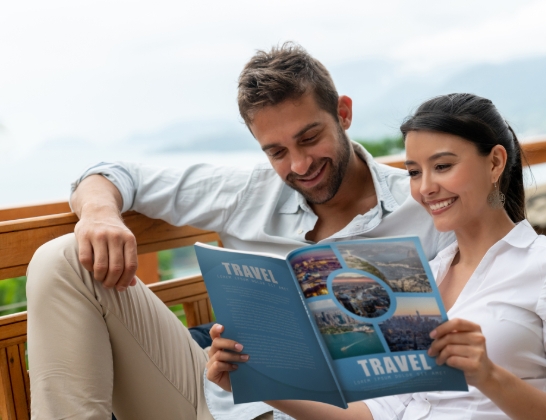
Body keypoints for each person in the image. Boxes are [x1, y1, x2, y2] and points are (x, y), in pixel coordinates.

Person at [25, 43, 454, 420]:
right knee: (61, 258)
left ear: (343, 113)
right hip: (217, 404)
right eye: (277, 151)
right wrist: (100, 215)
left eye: (309, 138)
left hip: (360, 413)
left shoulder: (425, 206)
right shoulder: (247, 191)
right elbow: (112, 174)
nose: (299, 165)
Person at [206, 93, 546, 420]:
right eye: (415, 171)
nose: (425, 188)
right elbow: (380, 411)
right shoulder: (419, 276)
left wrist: (488, 376)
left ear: (494, 162)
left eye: (442, 166)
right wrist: (259, 381)